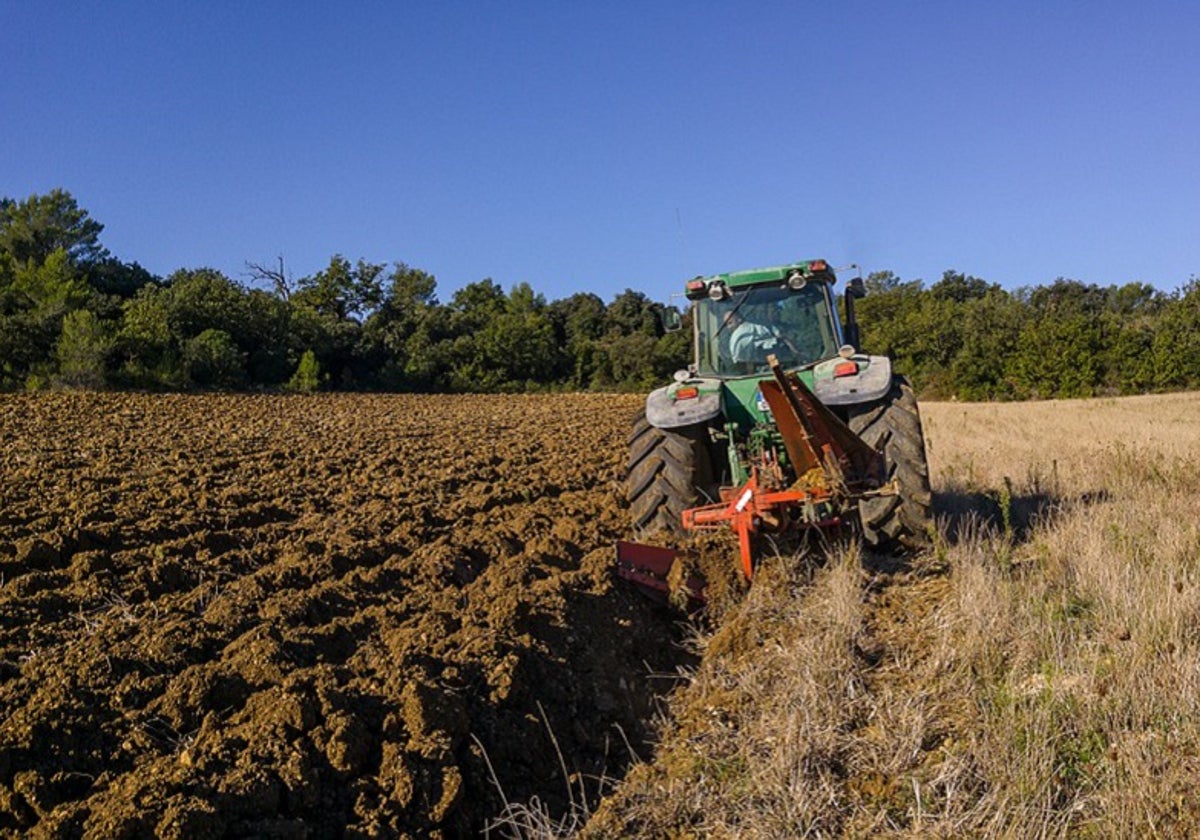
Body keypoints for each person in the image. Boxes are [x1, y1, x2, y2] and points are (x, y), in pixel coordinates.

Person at [727, 306, 796, 365]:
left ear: (739, 319)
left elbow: (737, 361)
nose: (728, 327)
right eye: (727, 324)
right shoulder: (765, 325)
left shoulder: (738, 335)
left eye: (730, 323)